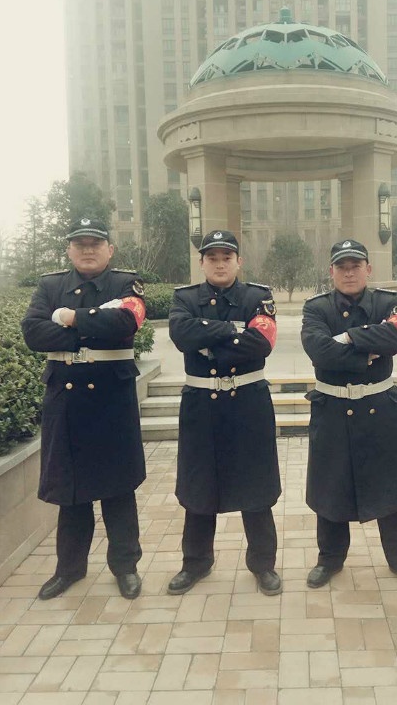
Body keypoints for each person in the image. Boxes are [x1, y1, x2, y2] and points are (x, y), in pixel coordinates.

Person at [21, 217, 147, 600]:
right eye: (80, 244)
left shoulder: (126, 284)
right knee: (70, 491)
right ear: (69, 250)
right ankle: (69, 569)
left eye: (95, 244)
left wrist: (70, 318)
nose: (88, 250)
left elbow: (126, 322)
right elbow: (33, 332)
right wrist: (92, 327)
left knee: (119, 489)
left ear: (110, 249)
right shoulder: (51, 285)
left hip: (111, 399)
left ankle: (125, 567)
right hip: (66, 400)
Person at [301, 239, 397, 590]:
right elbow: (319, 351)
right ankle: (329, 559)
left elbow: (395, 338)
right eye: (342, 267)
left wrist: (345, 338)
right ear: (331, 272)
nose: (349, 272)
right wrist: (365, 349)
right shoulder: (316, 308)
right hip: (332, 409)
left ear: (368, 269)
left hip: (379, 409)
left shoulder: (387, 303)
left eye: (355, 266)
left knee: (392, 488)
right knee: (330, 487)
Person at [167, 229, 282, 596]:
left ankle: (263, 565)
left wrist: (209, 343)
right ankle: (196, 563)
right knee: (198, 487)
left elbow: (260, 344)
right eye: (212, 258)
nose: (220, 264)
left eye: (226, 257)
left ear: (238, 262)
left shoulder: (258, 297)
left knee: (256, 487)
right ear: (201, 262)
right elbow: (181, 335)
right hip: (201, 405)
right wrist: (234, 329)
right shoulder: (184, 298)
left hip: (248, 403)